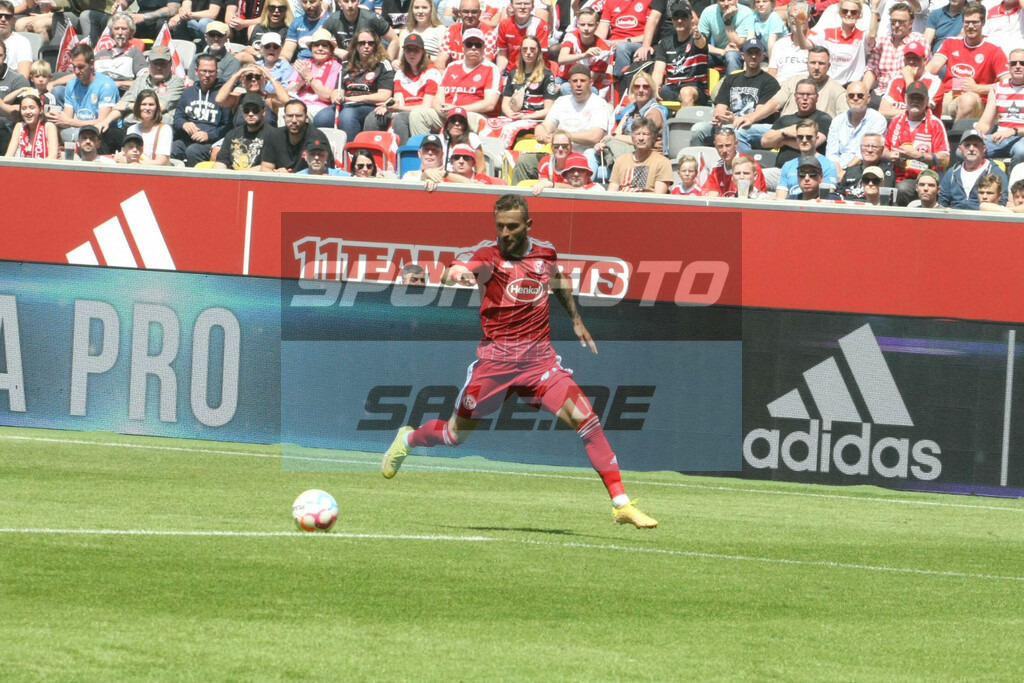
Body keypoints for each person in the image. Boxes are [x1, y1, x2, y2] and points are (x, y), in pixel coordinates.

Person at [381, 194, 658, 529]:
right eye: (499, 227)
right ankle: (408, 440)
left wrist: (575, 319)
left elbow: (557, 281)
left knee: (587, 420)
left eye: (512, 227)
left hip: (539, 364)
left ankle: (621, 504)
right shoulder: (486, 253)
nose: (505, 234)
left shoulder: (545, 252)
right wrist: (457, 276)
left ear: (528, 225)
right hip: (494, 366)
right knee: (455, 437)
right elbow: (454, 270)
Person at [924, 2, 1006, 122]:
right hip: (948, 95)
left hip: (975, 98)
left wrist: (977, 88)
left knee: (967, 100)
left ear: (983, 23)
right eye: (967, 22)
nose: (971, 26)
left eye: (975, 22)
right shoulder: (950, 43)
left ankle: (957, 139)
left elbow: (1007, 84)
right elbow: (930, 70)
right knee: (922, 100)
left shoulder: (994, 49)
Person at [410, 27, 501, 135]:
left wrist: (458, 109)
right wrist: (440, 108)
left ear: (483, 47)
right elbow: (438, 97)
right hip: (448, 114)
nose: (473, 48)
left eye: (478, 45)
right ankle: (426, 149)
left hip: (473, 115)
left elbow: (489, 104)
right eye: (469, 44)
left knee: (469, 120)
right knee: (417, 115)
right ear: (463, 47)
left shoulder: (491, 69)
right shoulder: (452, 66)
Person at [693, 38, 780, 150]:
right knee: (698, 129)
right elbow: (720, 106)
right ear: (743, 56)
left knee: (737, 131)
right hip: (729, 124)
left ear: (763, 56)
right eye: (750, 53)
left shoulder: (769, 82)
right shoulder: (731, 79)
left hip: (752, 126)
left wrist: (734, 120)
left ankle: (741, 165)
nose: (753, 56)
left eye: (757, 53)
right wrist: (719, 117)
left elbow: (758, 115)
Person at [99, 45, 185, 153]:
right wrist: (105, 121)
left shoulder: (176, 82)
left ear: (170, 65)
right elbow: (119, 106)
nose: (158, 67)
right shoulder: (140, 81)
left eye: (162, 64)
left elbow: (159, 107)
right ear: (148, 65)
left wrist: (128, 106)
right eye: (155, 63)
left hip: (156, 131)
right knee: (102, 134)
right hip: (131, 129)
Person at [533, 64, 613, 172]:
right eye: (575, 81)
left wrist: (564, 137)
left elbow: (595, 136)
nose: (578, 84)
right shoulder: (561, 102)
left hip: (586, 155)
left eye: (583, 81)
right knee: (524, 162)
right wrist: (540, 130)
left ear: (591, 83)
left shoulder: (599, 104)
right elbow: (547, 125)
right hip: (559, 155)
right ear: (569, 84)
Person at [481, 34, 555, 147]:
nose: (528, 52)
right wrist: (510, 113)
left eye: (532, 49)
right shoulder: (513, 73)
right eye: (524, 49)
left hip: (533, 118)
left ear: (538, 52)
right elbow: (505, 104)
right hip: (515, 116)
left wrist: (526, 117)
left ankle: (503, 160)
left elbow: (548, 110)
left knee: (507, 130)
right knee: (488, 126)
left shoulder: (547, 75)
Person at [321, 30, 394, 140]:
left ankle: (352, 152)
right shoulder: (346, 64)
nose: (366, 46)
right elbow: (338, 89)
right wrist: (337, 96)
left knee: (347, 116)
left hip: (369, 105)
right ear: (356, 45)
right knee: (322, 117)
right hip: (347, 103)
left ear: (376, 45)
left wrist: (352, 99)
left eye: (370, 43)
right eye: (362, 43)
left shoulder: (383, 65)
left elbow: (384, 95)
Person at [884, 79, 948, 204]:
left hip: (924, 177)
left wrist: (919, 156)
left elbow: (945, 159)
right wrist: (890, 155)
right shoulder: (896, 121)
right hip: (896, 174)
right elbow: (884, 150)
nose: (915, 101)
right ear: (905, 99)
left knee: (902, 189)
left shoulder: (935, 124)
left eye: (919, 98)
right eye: (912, 98)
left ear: (927, 100)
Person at [367, 33, 441, 142]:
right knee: (373, 117)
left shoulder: (432, 72)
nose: (412, 54)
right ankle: (370, 154)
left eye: (416, 50)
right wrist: (388, 107)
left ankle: (403, 156)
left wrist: (398, 108)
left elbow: (427, 106)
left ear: (423, 52)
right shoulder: (400, 73)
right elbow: (398, 101)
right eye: (408, 50)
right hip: (403, 108)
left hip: (421, 112)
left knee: (400, 119)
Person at [50, 44, 119, 146]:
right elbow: (67, 118)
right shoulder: (71, 84)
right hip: (79, 128)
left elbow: (102, 121)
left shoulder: (106, 86)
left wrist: (70, 122)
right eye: (74, 67)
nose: (77, 71)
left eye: (81, 67)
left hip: (102, 132)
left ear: (91, 64)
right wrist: (54, 117)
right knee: (52, 127)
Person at [173, 54, 233, 166]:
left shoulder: (223, 95)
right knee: (172, 149)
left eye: (211, 72)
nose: (207, 75)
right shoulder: (188, 93)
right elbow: (177, 118)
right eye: (203, 71)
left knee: (193, 151)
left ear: (217, 72)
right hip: (188, 138)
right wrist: (184, 124)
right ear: (196, 71)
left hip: (211, 141)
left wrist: (209, 135)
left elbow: (228, 126)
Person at [865, 2, 927, 109]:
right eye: (893, 22)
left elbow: (919, 70)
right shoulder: (883, 41)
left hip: (903, 92)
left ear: (911, 23)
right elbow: (872, 69)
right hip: (881, 91)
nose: (897, 25)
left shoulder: (918, 40)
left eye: (901, 22)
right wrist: (863, 92)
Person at [760, 78, 832, 169]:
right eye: (801, 94)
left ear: (817, 97)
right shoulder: (784, 119)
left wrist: (783, 141)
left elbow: (812, 144)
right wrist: (785, 132)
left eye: (809, 94)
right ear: (795, 96)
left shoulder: (823, 118)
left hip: (808, 172)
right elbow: (765, 142)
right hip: (780, 171)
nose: (805, 98)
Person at [596, 70, 668, 162]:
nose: (641, 90)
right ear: (633, 89)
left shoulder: (654, 112)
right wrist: (602, 144)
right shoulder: (630, 111)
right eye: (637, 86)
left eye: (645, 87)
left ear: (651, 90)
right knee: (594, 151)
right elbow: (616, 133)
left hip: (650, 156)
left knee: (611, 145)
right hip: (632, 151)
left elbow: (641, 139)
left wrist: (611, 138)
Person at [976, 47, 1024, 172]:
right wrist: (978, 134)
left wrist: (1013, 131)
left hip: (1021, 138)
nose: (1018, 66)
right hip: (1000, 138)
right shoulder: (997, 88)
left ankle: (1014, 186)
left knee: (1021, 151)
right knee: (966, 150)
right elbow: (986, 123)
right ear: (1008, 66)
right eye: (1013, 63)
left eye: (1022, 63)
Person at [651, 2, 708, 107]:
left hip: (695, 89)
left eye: (684, 17)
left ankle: (683, 123)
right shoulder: (664, 43)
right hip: (672, 88)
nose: (679, 20)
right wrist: (654, 89)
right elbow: (658, 72)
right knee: (644, 89)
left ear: (691, 19)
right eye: (676, 17)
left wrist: (698, 36)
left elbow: (701, 43)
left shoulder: (697, 37)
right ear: (672, 20)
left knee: (686, 92)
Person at [826, 81, 888, 176]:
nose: (855, 98)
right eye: (851, 96)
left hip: (865, 168)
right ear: (846, 99)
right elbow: (831, 153)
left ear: (868, 98)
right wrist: (838, 171)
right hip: (838, 168)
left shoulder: (877, 119)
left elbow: (865, 153)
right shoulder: (837, 121)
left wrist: (846, 172)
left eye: (860, 95)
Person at [939, 127, 1008, 209]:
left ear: (984, 148)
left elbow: (1002, 202)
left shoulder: (995, 172)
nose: (971, 149)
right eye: (967, 145)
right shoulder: (952, 172)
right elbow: (942, 202)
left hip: (983, 218)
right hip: (955, 217)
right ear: (960, 149)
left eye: (976, 145)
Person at [260, 99, 333, 172]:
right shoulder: (274, 135)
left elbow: (324, 173)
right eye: (290, 116)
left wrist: (291, 178)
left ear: (306, 118)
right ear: (284, 118)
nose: (294, 120)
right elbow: (265, 168)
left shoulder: (317, 137)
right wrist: (278, 175)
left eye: (298, 116)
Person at [288, 29, 343, 126]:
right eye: (316, 45)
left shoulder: (336, 66)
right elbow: (289, 91)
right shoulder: (303, 63)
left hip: (319, 107)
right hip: (298, 103)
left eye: (324, 46)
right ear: (311, 49)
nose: (320, 48)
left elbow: (327, 96)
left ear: (330, 50)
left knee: (297, 114)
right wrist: (300, 82)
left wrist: (309, 78)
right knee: (283, 112)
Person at [774, 118, 838, 197]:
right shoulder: (787, 166)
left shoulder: (828, 165)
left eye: (809, 137)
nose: (804, 140)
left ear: (817, 138)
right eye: (800, 137)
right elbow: (780, 199)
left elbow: (826, 198)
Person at [607, 116, 672, 193]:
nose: (641, 138)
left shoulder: (662, 163)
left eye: (645, 134)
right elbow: (611, 193)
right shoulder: (620, 161)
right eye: (637, 134)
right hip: (621, 202)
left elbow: (658, 197)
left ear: (653, 138)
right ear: (632, 137)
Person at [878, 39, 941, 119]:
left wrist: (909, 79)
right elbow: (883, 110)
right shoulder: (896, 80)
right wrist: (907, 112)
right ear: (904, 60)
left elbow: (919, 112)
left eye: (916, 58)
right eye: (908, 58)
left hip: (925, 127)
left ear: (925, 61)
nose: (911, 62)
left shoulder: (934, 81)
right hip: (899, 127)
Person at [810, 0, 867, 85]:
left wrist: (874, 10)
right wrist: (798, 25)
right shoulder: (827, 33)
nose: (848, 14)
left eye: (853, 12)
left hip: (852, 86)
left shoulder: (863, 35)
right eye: (845, 11)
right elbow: (805, 45)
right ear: (840, 13)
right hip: (831, 84)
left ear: (859, 15)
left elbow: (873, 34)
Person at [555, 7, 610, 96]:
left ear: (597, 25)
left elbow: (590, 78)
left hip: (588, 85)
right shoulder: (571, 36)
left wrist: (563, 86)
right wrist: (584, 55)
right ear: (578, 24)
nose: (586, 28)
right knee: (549, 86)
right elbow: (561, 59)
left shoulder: (604, 49)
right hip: (563, 78)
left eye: (590, 25)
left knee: (565, 88)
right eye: (583, 24)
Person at [596, 0, 653, 84]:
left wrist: (624, 41)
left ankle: (620, 82)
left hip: (637, 43)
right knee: (593, 47)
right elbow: (601, 32)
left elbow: (650, 33)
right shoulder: (610, 2)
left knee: (622, 47)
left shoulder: (648, 2)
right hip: (613, 43)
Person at [321, 0, 397, 62]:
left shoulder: (372, 18)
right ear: (339, 3)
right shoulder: (333, 19)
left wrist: (387, 63)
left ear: (358, 2)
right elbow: (318, 42)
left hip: (371, 63)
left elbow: (395, 39)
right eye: (346, 1)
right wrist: (335, 50)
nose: (350, 5)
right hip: (346, 63)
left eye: (353, 1)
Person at [702, 126, 768, 196]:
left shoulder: (749, 166)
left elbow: (752, 197)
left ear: (736, 144)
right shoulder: (715, 168)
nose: (724, 150)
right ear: (715, 146)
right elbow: (711, 198)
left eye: (728, 145)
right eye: (720, 146)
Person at [213, 91, 271, 170]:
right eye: (246, 110)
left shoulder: (272, 135)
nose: (250, 114)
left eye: (255, 110)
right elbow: (221, 162)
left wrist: (243, 176)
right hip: (232, 179)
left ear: (263, 111)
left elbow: (268, 166)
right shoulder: (232, 134)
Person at [436, 0, 498, 69]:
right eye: (466, 11)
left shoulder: (489, 33)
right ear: (459, 13)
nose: (470, 15)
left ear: (480, 13)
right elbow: (440, 62)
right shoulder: (451, 30)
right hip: (454, 76)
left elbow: (486, 65)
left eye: (474, 12)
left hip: (478, 76)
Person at [697, 0, 754, 75]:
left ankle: (732, 85)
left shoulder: (746, 12)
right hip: (718, 52)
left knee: (731, 55)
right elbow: (700, 44)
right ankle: (696, 84)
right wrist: (722, 52)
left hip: (739, 53)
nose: (726, 3)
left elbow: (737, 45)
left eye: (730, 0)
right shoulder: (708, 12)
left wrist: (727, 20)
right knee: (699, 56)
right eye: (722, 0)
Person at [494, 0, 548, 76]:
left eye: (526, 4)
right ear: (511, 6)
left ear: (532, 7)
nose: (522, 7)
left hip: (533, 73)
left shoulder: (540, 25)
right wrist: (498, 72)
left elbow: (541, 57)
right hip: (511, 73)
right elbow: (503, 56)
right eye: (518, 4)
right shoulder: (504, 24)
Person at [836, 132, 896, 199]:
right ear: (860, 148)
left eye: (874, 147)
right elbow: (841, 195)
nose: (869, 150)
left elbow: (884, 200)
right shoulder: (850, 171)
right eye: (866, 146)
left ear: (882, 150)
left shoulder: (886, 173)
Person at [768, 1, 813, 82]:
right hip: (781, 88)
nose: (796, 20)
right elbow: (772, 74)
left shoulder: (817, 40)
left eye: (800, 16)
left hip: (805, 89)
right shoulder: (779, 44)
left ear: (808, 17)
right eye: (792, 17)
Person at [123, 88, 170, 165]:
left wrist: (135, 163)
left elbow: (162, 162)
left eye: (151, 105)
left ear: (156, 108)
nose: (147, 108)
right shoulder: (131, 129)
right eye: (143, 104)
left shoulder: (164, 129)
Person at [4, 90, 57, 157]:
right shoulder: (19, 126)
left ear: (41, 110)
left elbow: (52, 157)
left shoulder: (49, 127)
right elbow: (9, 156)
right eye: (24, 108)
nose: (27, 112)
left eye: (32, 108)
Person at [0, 38, 30, 154]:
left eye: (0, 55)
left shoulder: (17, 80)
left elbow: (22, 115)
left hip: (7, 128)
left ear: (5, 56)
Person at [0, 0, 31, 77]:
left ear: (13, 20)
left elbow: (23, 77)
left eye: (7, 17)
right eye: (0, 16)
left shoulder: (22, 42)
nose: (3, 19)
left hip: (11, 87)